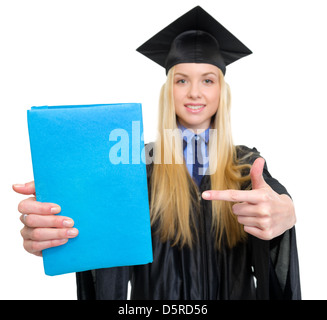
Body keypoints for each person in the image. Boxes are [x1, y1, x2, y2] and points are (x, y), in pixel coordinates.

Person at [13, 6, 301, 299]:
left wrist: (286, 212)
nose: (194, 92)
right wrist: (68, 219)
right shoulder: (133, 163)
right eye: (181, 80)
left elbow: (272, 200)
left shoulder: (245, 165)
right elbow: (105, 239)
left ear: (221, 91)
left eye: (207, 80)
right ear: (168, 90)